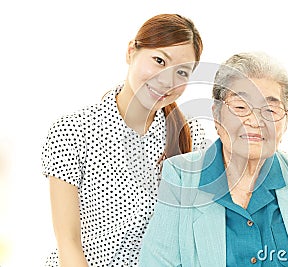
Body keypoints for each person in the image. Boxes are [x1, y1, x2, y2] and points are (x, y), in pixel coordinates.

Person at [139, 52, 288, 266]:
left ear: (286, 122)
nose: (256, 121)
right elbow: (157, 261)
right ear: (217, 115)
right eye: (240, 107)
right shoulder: (182, 176)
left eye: (270, 110)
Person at [41, 14, 205, 267]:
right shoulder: (73, 130)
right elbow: (68, 242)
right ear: (131, 52)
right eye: (159, 60)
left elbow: (196, 232)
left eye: (181, 72)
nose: (167, 81)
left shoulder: (192, 135)